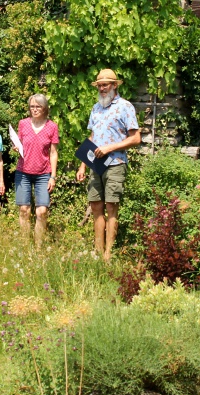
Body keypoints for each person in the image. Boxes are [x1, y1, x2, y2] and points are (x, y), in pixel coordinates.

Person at [75, 69, 141, 262]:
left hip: (116, 163)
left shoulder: (125, 107)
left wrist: (110, 148)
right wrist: (82, 165)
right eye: (100, 85)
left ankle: (108, 254)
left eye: (106, 85)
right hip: (96, 164)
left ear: (115, 85)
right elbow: (92, 138)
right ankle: (97, 251)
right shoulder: (96, 108)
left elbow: (136, 138)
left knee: (111, 206)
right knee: (95, 205)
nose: (102, 88)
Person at [14, 94, 59, 248]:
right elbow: (19, 145)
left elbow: (53, 153)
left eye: (38, 106)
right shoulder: (23, 124)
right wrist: (16, 148)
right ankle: (25, 245)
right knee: (24, 210)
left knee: (42, 212)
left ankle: (38, 247)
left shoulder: (52, 126)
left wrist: (53, 176)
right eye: (32, 106)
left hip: (43, 173)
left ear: (44, 108)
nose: (34, 109)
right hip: (23, 172)